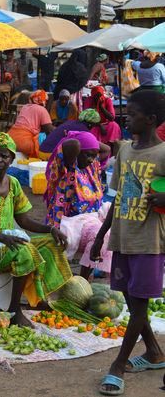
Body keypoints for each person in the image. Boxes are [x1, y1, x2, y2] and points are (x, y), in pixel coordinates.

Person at [90, 89, 165, 396]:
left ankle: (117, 366)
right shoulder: (124, 150)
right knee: (134, 303)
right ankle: (155, 353)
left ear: (151, 120)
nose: (126, 118)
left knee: (138, 308)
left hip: (150, 242)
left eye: (132, 114)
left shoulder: (163, 154)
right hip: (123, 237)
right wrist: (100, 235)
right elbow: (118, 196)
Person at [0, 132, 71, 327]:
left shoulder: (14, 184)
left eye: (5, 156)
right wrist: (0, 237)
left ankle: (41, 299)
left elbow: (24, 221)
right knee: (23, 252)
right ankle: (14, 309)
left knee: (51, 245)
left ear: (12, 159)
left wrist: (51, 228)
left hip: (3, 241)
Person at [44, 131, 111, 278]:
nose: (92, 160)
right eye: (87, 155)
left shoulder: (91, 168)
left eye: (94, 156)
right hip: (67, 220)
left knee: (106, 233)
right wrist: (76, 136)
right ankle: (66, 278)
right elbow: (73, 144)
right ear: (77, 153)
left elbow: (105, 149)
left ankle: (83, 280)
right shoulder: (67, 168)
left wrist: (89, 140)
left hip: (89, 219)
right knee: (101, 233)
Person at [7, 89, 54, 158]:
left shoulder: (25, 107)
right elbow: (49, 130)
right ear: (42, 100)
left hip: (10, 138)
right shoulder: (42, 109)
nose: (46, 102)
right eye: (46, 100)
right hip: (24, 142)